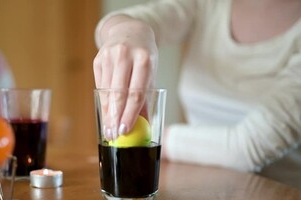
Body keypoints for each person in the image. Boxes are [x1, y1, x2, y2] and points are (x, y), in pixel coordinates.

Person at [94, 0, 301, 189]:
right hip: (198, 191)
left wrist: (155, 139)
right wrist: (129, 31)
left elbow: (247, 149)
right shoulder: (207, 4)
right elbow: (105, 27)